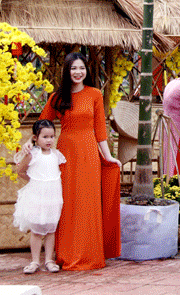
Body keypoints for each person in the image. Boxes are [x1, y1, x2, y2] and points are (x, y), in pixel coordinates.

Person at [27, 51, 122, 271]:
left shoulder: (95, 94)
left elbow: (100, 129)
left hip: (89, 152)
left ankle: (90, 253)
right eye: (73, 68)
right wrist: (33, 144)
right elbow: (42, 122)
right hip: (65, 153)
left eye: (81, 68)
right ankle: (64, 255)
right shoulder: (57, 97)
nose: (78, 72)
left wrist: (107, 157)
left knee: (87, 202)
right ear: (67, 72)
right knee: (67, 202)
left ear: (86, 71)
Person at [14, 120, 66, 274]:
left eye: (52, 137)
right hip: (37, 196)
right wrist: (35, 182)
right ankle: (35, 261)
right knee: (36, 229)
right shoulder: (33, 155)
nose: (49, 140)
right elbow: (21, 171)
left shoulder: (56, 155)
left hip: (53, 197)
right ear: (35, 138)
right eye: (45, 137)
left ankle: (49, 260)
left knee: (51, 229)